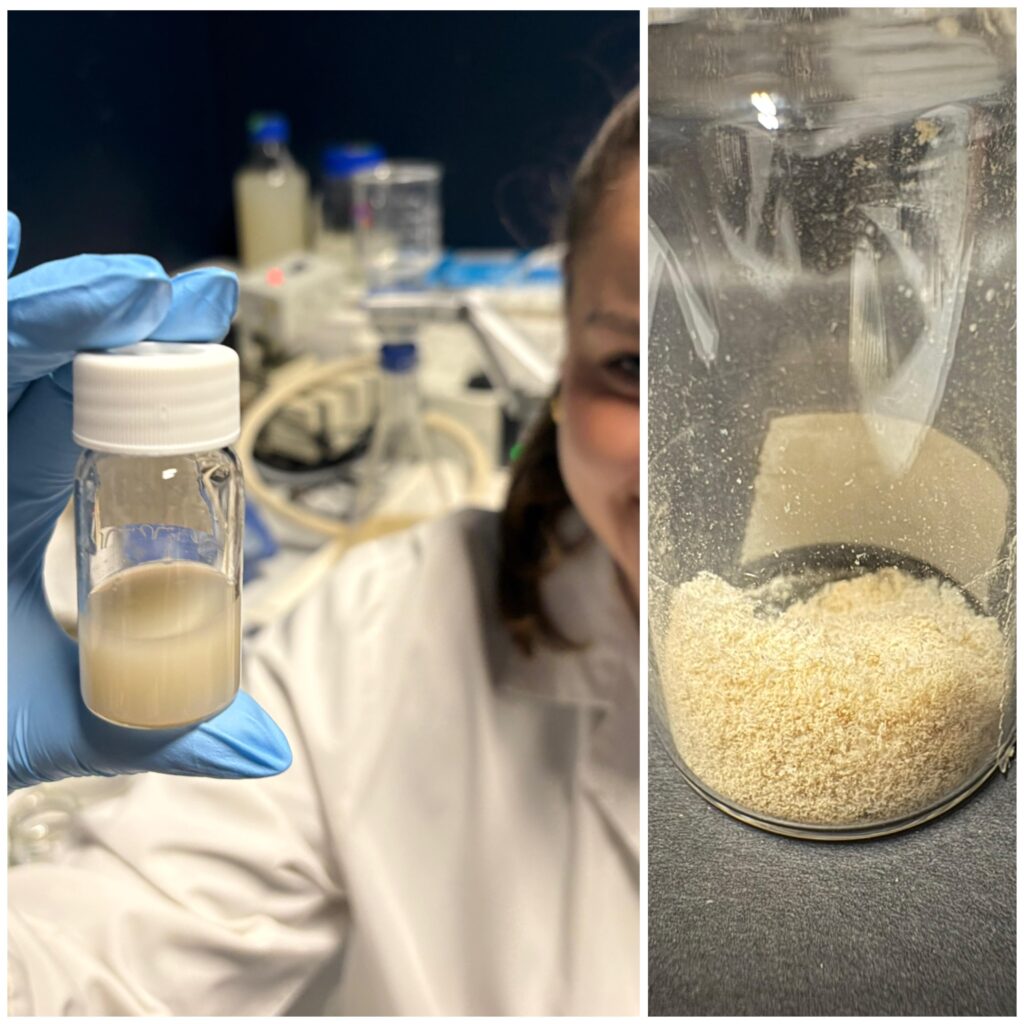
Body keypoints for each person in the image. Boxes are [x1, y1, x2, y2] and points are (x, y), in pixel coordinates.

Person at [7, 88, 639, 1016]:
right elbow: (89, 961)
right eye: (629, 366)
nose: (686, 446)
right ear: (558, 365)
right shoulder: (382, 634)